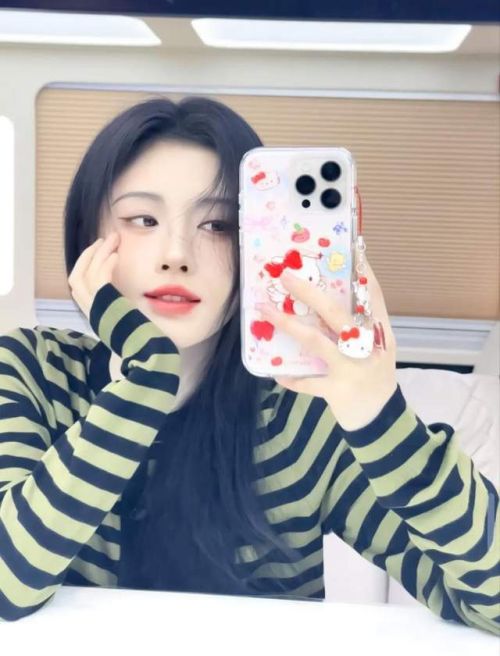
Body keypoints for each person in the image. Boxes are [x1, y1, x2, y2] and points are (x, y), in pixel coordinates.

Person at [0, 96, 498, 635]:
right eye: (143, 219)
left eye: (218, 225)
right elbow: (7, 586)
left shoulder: (302, 420)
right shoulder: (32, 371)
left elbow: (489, 603)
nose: (176, 254)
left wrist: (378, 413)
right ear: (90, 238)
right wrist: (148, 373)